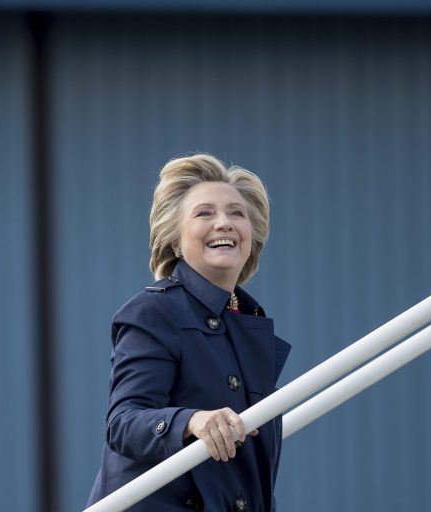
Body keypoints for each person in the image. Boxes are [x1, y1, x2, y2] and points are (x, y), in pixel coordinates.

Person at [86, 154, 291, 511]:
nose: (224, 223)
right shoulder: (155, 311)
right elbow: (122, 422)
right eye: (204, 213)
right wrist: (192, 421)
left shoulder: (247, 322)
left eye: (236, 213)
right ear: (176, 242)